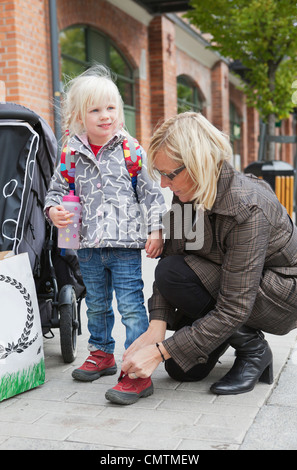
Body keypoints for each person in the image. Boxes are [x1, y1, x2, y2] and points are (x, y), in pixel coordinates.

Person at [121, 111, 297, 396]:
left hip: (280, 293)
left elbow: (235, 306)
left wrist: (160, 352)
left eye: (168, 175)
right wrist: (157, 328)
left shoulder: (248, 208)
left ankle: (254, 351)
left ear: (197, 164)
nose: (164, 184)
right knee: (182, 369)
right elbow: (170, 259)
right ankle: (222, 337)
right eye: (160, 174)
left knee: (178, 295)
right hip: (231, 283)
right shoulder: (185, 196)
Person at [44, 65, 166, 405]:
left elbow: (151, 194)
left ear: (120, 110)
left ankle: (136, 365)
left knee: (129, 307)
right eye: (95, 110)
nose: (104, 116)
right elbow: (55, 193)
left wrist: (156, 228)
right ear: (80, 115)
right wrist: (54, 211)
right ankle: (101, 354)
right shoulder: (70, 153)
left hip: (125, 245)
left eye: (111, 108)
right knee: (96, 305)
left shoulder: (131, 150)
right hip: (87, 246)